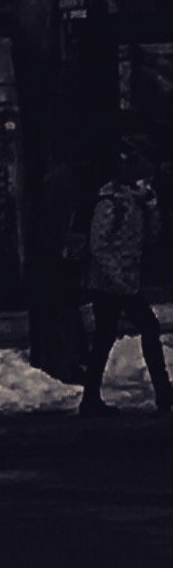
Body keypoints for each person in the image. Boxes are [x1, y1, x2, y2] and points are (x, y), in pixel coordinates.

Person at [78, 154, 172, 417]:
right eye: (144, 179)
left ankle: (91, 398)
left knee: (105, 337)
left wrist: (152, 208)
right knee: (146, 328)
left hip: (126, 281)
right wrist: (117, 277)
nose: (148, 184)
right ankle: (162, 391)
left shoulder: (135, 204)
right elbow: (98, 246)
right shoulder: (110, 203)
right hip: (110, 283)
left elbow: (152, 237)